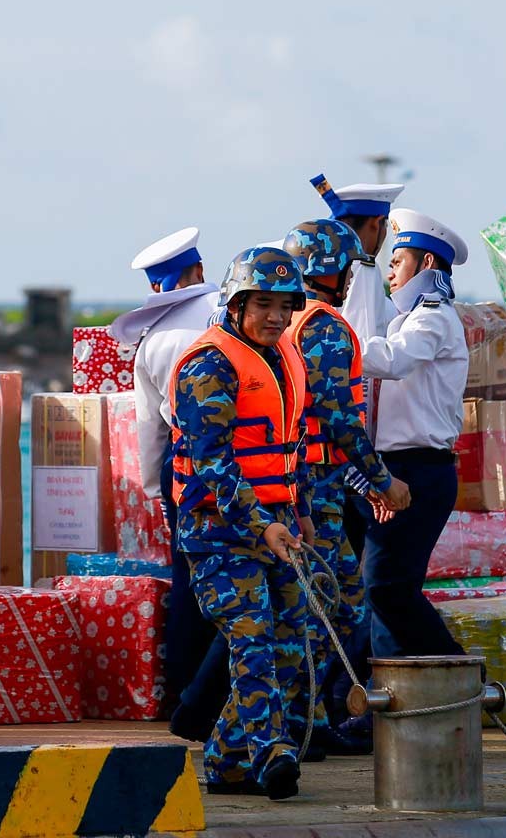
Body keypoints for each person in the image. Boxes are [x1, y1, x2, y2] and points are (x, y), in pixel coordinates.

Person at [170, 247, 313, 801]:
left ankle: (227, 761)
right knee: (251, 640)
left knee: (288, 645)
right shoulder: (210, 365)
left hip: (276, 524)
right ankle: (272, 752)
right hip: (219, 531)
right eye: (263, 304)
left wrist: (295, 514)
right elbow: (214, 461)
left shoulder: (281, 358)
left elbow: (286, 449)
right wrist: (260, 526)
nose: (275, 316)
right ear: (236, 304)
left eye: (285, 306)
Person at [281, 217, 411, 755]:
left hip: (293, 484)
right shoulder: (327, 327)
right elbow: (339, 420)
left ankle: (312, 718)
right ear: (334, 270)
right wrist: (383, 481)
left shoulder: (284, 322)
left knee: (308, 604)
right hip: (318, 495)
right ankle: (312, 721)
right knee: (339, 607)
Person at [105, 228, 222, 742]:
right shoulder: (227, 312)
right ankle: (221, 699)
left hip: (184, 463)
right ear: (199, 271)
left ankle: (182, 693)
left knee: (189, 580)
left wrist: (157, 490)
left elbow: (148, 428)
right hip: (243, 454)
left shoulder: (150, 342)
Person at [351, 209, 470, 664]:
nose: (390, 273)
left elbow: (390, 361)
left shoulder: (434, 319)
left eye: (397, 262)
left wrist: (336, 347)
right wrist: (363, 260)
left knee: (387, 586)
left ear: (426, 266)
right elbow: (365, 311)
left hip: (419, 469)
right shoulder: (403, 319)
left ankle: (457, 671)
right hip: (390, 466)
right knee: (377, 591)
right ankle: (387, 699)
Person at [309, 176, 404, 565]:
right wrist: (369, 474)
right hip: (344, 448)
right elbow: (359, 358)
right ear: (374, 226)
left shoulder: (314, 274)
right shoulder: (363, 271)